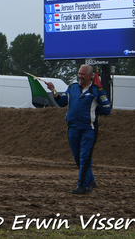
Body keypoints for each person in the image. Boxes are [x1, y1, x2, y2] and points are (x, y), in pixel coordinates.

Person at [46, 64, 111, 195]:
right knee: (77, 157)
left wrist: (95, 110)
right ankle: (91, 180)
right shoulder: (72, 88)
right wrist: (53, 91)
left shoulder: (97, 91)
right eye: (79, 73)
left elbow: (106, 110)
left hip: (89, 129)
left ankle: (82, 186)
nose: (80, 76)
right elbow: (62, 102)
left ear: (90, 76)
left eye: (83, 74)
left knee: (85, 157)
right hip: (73, 128)